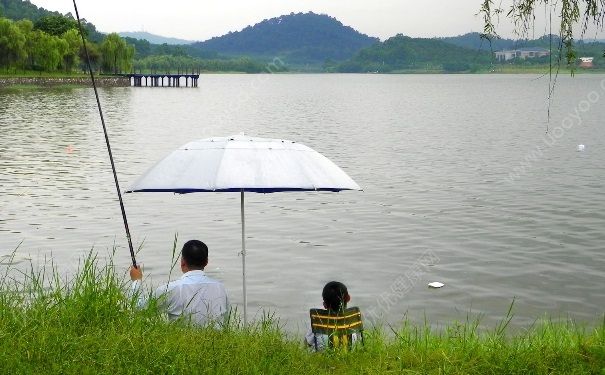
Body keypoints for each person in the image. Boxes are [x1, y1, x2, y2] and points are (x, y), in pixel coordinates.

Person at [130, 239, 229, 326]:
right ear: (206, 262)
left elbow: (139, 311)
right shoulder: (221, 288)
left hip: (185, 344)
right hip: (216, 342)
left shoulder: (171, 289)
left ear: (182, 262)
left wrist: (136, 281)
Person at [305, 281, 359, 351]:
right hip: (349, 358)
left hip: (322, 359)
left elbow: (307, 344)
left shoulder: (318, 321)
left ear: (325, 305)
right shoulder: (353, 319)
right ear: (348, 298)